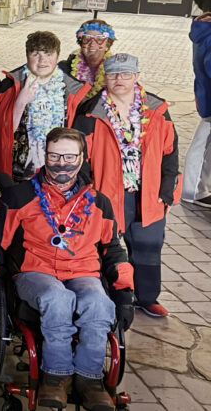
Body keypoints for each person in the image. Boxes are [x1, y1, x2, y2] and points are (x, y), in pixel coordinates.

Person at [0, 127, 134, 411]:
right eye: (55, 155)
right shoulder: (20, 196)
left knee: (99, 303)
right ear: (44, 155)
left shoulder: (99, 203)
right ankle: (56, 376)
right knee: (57, 298)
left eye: (70, 156)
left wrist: (124, 292)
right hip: (35, 271)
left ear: (82, 158)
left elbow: (114, 250)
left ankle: (89, 380)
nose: (62, 163)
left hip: (83, 271)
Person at [72, 54, 180, 318]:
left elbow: (170, 152)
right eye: (113, 74)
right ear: (105, 78)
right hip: (108, 194)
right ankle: (110, 296)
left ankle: (146, 297)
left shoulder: (157, 109)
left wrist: (165, 193)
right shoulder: (90, 111)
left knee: (149, 246)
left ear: (136, 77)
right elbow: (80, 157)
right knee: (107, 247)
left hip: (148, 194)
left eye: (126, 74)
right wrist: (89, 194)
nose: (119, 80)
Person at [0, 31, 90, 183]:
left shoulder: (71, 89)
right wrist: (20, 103)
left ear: (57, 57)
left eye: (48, 54)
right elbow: (1, 133)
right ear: (27, 56)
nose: (42, 60)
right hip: (19, 170)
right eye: (36, 54)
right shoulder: (11, 86)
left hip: (59, 169)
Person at [185, 13, 211, 207]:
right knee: (204, 144)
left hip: (206, 95)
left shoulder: (204, 29)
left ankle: (196, 188)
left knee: (205, 143)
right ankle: (193, 189)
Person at [57, 20, 116, 95]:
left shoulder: (115, 71)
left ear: (107, 45)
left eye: (99, 39)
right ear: (81, 43)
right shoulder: (64, 69)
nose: (92, 44)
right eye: (87, 38)